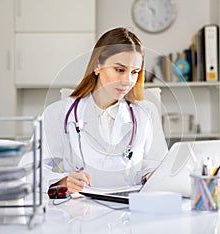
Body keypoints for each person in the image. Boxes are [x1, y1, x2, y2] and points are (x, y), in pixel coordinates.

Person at [42, 27, 168, 194]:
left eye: (135, 72)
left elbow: (156, 165)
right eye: (120, 70)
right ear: (97, 66)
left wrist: (153, 176)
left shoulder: (146, 112)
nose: (127, 81)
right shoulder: (58, 113)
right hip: (80, 211)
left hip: (131, 210)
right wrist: (63, 180)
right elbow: (30, 170)